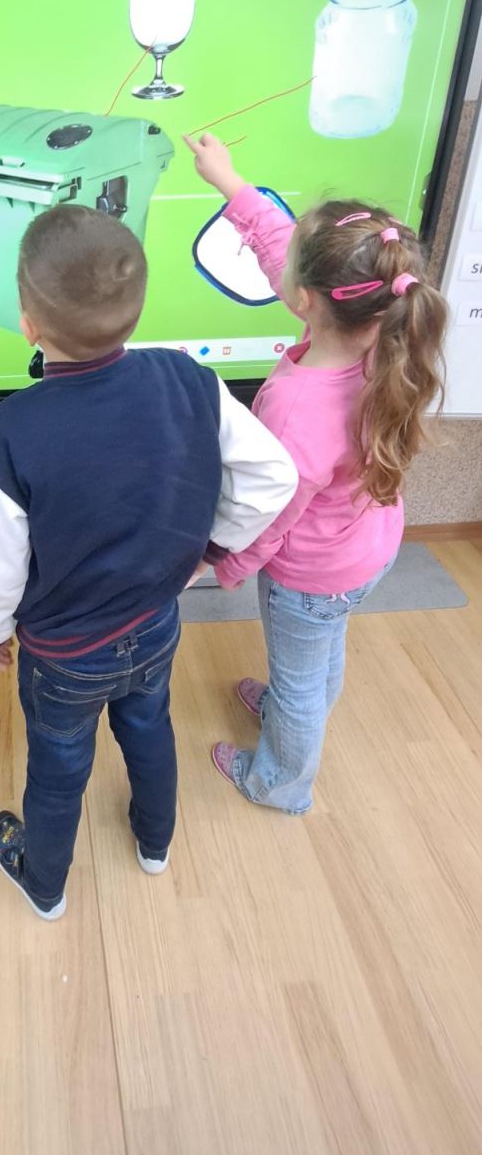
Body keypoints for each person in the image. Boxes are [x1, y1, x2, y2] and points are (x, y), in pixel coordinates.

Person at [0, 202, 298, 919]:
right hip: (155, 624)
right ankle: (155, 843)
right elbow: (275, 476)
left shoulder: (10, 430)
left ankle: (45, 884)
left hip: (63, 654)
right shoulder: (187, 378)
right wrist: (214, 547)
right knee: (149, 730)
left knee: (59, 767)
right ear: (137, 311)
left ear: (28, 323)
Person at [186, 132, 448, 813]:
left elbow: (272, 511)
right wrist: (231, 184)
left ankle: (278, 784)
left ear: (303, 299)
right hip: (365, 550)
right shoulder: (380, 335)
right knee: (321, 653)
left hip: (310, 575)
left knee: (302, 678)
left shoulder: (298, 408)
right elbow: (287, 251)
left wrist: (224, 564)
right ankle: (288, 707)